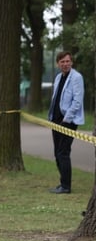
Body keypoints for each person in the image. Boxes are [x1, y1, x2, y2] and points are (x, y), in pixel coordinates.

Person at [47, 51, 84, 194]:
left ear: (72, 62)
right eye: (62, 62)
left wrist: (66, 119)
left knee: (63, 152)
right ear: (58, 64)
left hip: (68, 121)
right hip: (55, 120)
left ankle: (66, 186)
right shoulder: (58, 78)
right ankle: (62, 182)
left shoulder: (76, 78)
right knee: (57, 152)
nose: (65, 64)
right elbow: (55, 99)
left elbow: (77, 102)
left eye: (68, 61)